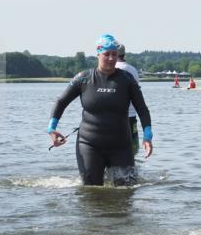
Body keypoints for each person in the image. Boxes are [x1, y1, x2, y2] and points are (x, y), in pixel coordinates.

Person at [48, 34, 153, 186]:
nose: (111, 58)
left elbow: (142, 109)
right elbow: (60, 102)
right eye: (107, 54)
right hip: (89, 144)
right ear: (98, 54)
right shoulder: (83, 78)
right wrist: (52, 129)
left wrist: (147, 136)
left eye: (114, 55)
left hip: (121, 145)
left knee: (126, 192)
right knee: (92, 190)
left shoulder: (127, 80)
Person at [114, 43, 141, 155]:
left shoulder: (112, 69)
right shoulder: (133, 70)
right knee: (132, 150)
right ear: (124, 54)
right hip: (131, 116)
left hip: (114, 117)